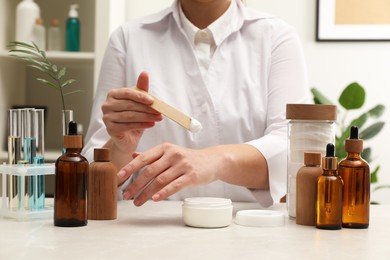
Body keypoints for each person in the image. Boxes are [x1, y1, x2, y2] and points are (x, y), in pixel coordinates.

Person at [82, 0, 310, 207]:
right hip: (149, 231)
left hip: (249, 232)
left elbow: (293, 152)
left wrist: (215, 161)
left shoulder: (276, 37)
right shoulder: (128, 38)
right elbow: (92, 177)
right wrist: (120, 146)